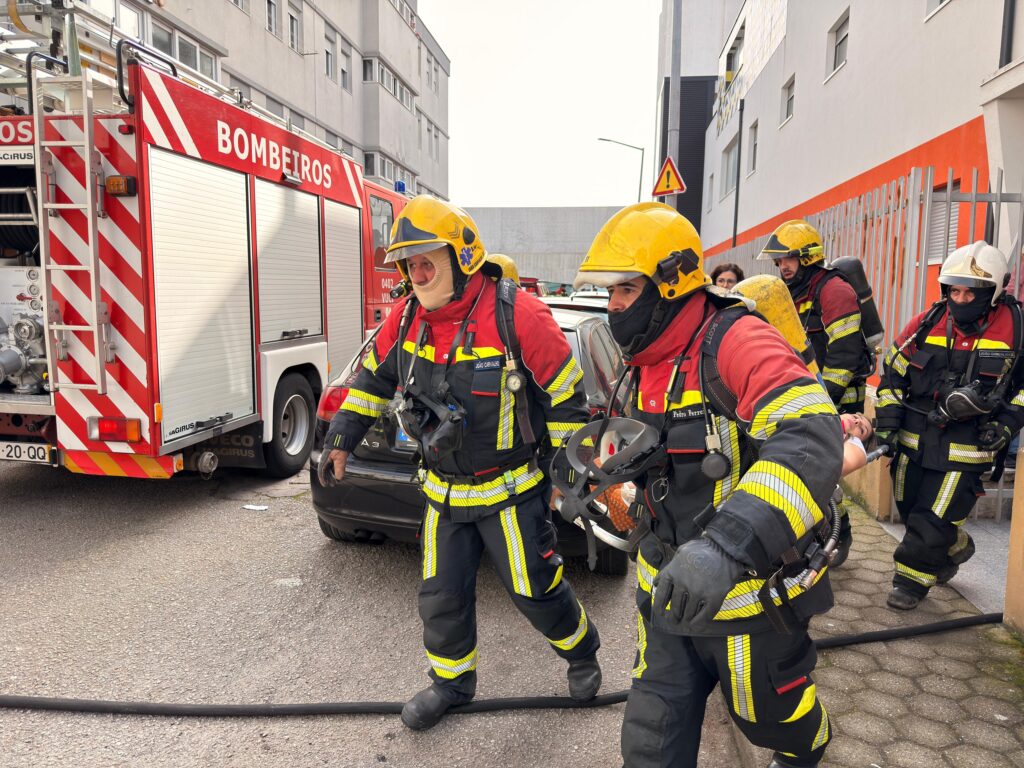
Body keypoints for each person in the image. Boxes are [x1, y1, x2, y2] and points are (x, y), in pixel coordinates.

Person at [572, 202, 843, 768]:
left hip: (750, 600)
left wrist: (726, 544)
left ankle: (804, 753)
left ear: (671, 282)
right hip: (667, 593)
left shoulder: (735, 340)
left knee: (771, 716)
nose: (613, 305)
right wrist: (618, 492)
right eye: (609, 292)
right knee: (651, 735)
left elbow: (811, 436)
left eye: (625, 289)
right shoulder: (639, 360)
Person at [320, 195, 601, 729]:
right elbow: (373, 380)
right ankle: (451, 684)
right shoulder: (405, 318)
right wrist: (341, 438)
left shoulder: (519, 315)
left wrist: (568, 477)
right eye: (410, 264)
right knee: (440, 598)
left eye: (428, 260)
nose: (418, 273)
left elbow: (567, 400)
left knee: (535, 592)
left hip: (511, 492)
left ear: (462, 256)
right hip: (443, 494)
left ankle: (582, 652)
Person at [874, 241, 1024, 610]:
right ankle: (953, 545)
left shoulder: (1015, 331)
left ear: (991, 293)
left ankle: (909, 582)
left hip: (967, 444)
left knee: (934, 514)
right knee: (910, 508)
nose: (960, 298)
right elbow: (892, 374)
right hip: (914, 438)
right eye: (954, 290)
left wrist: (1006, 425)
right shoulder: (925, 323)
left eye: (970, 292)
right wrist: (887, 428)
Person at [759, 220, 872, 564]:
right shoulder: (790, 293)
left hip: (836, 398)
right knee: (806, 472)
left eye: (789, 259)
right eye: (779, 262)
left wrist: (825, 401)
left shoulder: (833, 290)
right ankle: (815, 537)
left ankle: (839, 536)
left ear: (809, 256)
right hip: (806, 396)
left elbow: (845, 353)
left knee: (824, 472)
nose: (783, 267)